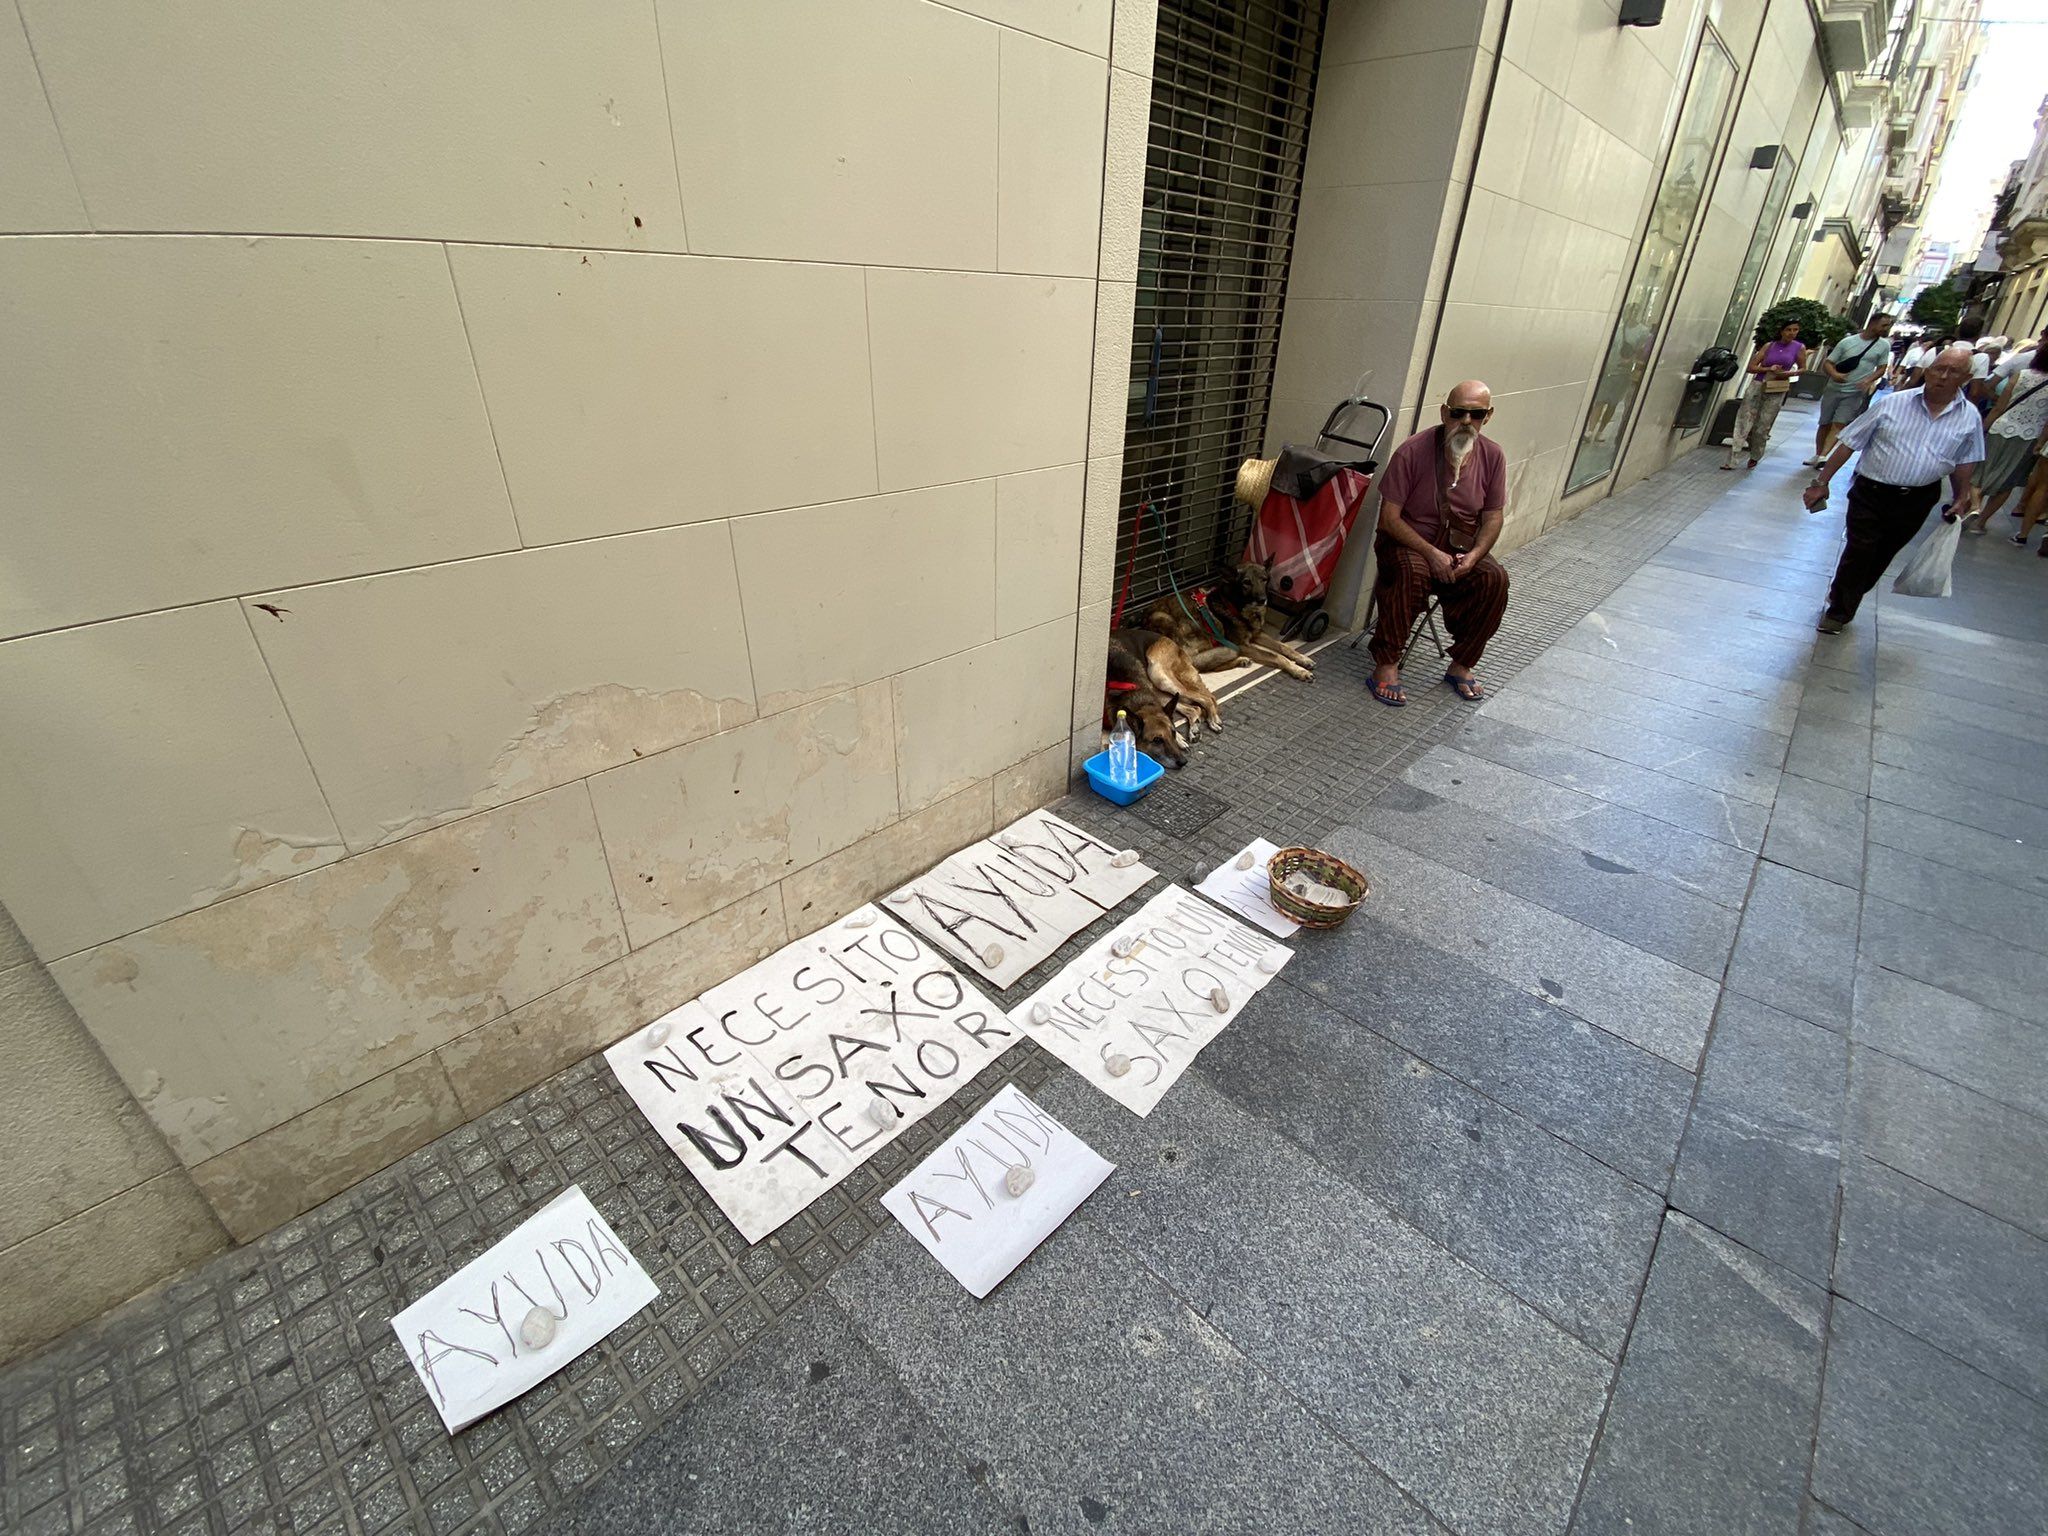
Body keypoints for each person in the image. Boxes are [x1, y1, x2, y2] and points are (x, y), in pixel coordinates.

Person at [1802, 344, 1985, 631]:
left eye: (1953, 372)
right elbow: (1849, 442)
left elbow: (1966, 459)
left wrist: (1962, 496)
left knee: (1881, 556)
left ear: (1966, 377)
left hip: (1918, 498)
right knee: (1860, 549)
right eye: (1939, 368)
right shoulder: (1893, 403)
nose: (1943, 376)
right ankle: (1839, 611)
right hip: (1872, 491)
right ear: (1928, 369)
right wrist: (1821, 482)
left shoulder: (1969, 416)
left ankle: (1846, 592)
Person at [1365, 381, 1511, 706]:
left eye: (1475, 414)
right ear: (1445, 412)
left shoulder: (1493, 456)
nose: (1466, 421)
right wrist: (1431, 553)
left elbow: (1493, 517)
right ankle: (1386, 664)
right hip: (1408, 545)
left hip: (1459, 549)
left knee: (1494, 578)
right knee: (1411, 571)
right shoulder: (1412, 451)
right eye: (1458, 413)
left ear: (1487, 416)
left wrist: (1473, 556)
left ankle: (1462, 664)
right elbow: (1388, 518)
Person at [1972, 331, 2048, 538]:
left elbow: (1999, 406)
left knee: (1980, 471)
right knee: (2009, 481)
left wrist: (1985, 426)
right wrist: (2041, 443)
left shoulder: (2020, 375)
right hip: (2029, 436)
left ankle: (1975, 505)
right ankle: (1981, 520)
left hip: (2001, 427)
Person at [1807, 313, 1895, 465]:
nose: (1886, 329)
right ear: (1873, 323)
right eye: (1884, 325)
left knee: (1840, 423)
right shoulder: (1847, 342)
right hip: (1834, 388)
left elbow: (1882, 368)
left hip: (1855, 392)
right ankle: (1818, 454)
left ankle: (1824, 456)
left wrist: (1868, 380)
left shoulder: (1883, 345)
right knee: (1825, 423)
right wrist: (1835, 375)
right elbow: (1828, 362)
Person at [1723, 320, 1811, 470]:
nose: (1792, 333)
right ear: (1781, 331)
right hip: (1758, 384)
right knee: (1744, 419)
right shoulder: (1769, 346)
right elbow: (1751, 367)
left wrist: (1789, 373)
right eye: (1788, 329)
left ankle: (1755, 454)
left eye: (1795, 330)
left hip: (1777, 388)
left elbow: (1803, 368)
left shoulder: (1799, 347)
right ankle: (1733, 457)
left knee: (1763, 425)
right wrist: (1768, 368)